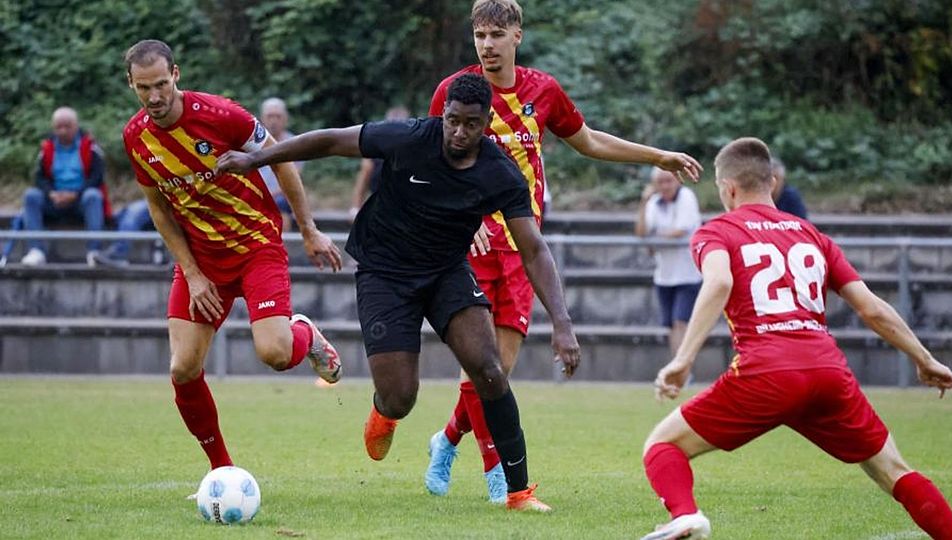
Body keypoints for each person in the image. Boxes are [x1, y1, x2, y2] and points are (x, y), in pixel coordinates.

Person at [217, 73, 581, 512]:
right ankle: (384, 410)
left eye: (470, 123)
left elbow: (535, 250)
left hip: (446, 271)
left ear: (486, 123)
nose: (458, 132)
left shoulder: (499, 173)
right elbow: (331, 140)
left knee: (488, 368)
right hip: (384, 272)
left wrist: (562, 325)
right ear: (442, 115)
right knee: (401, 395)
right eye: (452, 121)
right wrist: (256, 159)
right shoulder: (410, 137)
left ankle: (520, 492)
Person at [423, 0, 703, 504]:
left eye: (497, 34)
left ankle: (445, 440)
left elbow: (589, 141)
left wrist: (655, 155)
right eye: (480, 35)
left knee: (496, 373)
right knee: (480, 367)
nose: (487, 45)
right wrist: (457, 224)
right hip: (470, 247)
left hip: (521, 251)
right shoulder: (456, 92)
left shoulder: (542, 91)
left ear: (517, 37)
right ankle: (499, 479)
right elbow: (433, 160)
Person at [639, 137, 952, 539]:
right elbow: (871, 307)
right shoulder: (812, 235)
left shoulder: (717, 231)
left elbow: (719, 280)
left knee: (662, 446)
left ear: (729, 188)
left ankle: (684, 516)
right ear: (772, 182)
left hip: (766, 373)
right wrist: (924, 358)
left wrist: (683, 359)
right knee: (894, 471)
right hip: (827, 372)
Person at [121, 39, 344, 471]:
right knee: (183, 368)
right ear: (131, 83)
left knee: (276, 354)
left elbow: (281, 160)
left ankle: (307, 337)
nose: (154, 97)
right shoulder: (136, 138)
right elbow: (157, 207)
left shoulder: (223, 115)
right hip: (201, 261)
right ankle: (221, 471)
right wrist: (192, 272)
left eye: (162, 84)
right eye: (144, 87)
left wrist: (309, 229)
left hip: (256, 247)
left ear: (177, 75)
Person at [20, 106, 107, 267]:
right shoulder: (46, 148)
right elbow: (39, 178)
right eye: (59, 127)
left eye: (67, 126)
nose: (63, 131)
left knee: (93, 196)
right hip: (54, 200)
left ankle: (94, 252)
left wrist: (75, 194)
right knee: (31, 195)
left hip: (80, 201)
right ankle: (36, 251)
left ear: (76, 126)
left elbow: (97, 177)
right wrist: (51, 194)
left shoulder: (90, 146)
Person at [634, 167, 702, 356]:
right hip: (664, 275)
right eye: (660, 182)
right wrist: (643, 202)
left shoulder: (686, 197)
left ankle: (682, 367)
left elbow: (680, 230)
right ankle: (677, 367)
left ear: (677, 181)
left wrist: (654, 238)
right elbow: (641, 232)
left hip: (688, 274)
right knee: (672, 325)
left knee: (682, 321)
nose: (665, 186)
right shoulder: (653, 203)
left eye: (668, 181)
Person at [348, 105, 410, 222]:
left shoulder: (413, 151)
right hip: (380, 206)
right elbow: (363, 180)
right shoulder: (375, 152)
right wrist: (355, 207)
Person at [258, 97, 302, 231]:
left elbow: (294, 178)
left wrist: (270, 194)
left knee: (281, 203)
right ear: (262, 118)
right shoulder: (252, 143)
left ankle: (284, 244)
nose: (274, 121)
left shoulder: (295, 143)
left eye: (278, 116)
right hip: (256, 192)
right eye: (270, 116)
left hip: (281, 195)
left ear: (285, 119)